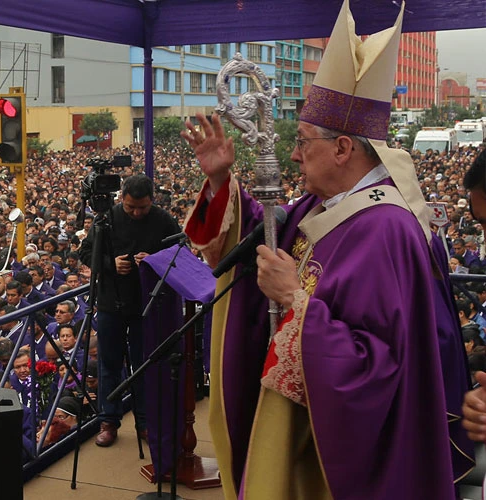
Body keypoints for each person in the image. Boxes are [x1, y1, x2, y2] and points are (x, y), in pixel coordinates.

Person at [181, 2, 470, 497]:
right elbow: (268, 234)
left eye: (303, 141)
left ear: (342, 149)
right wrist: (220, 179)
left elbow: (377, 368)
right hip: (296, 425)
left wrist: (296, 302)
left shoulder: (387, 230)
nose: (294, 154)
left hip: (332, 456)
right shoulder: (323, 204)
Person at [78, 173, 180, 447]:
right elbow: (86, 253)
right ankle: (108, 420)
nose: (136, 213)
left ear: (152, 201)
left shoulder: (162, 220)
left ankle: (145, 422)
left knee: (143, 364)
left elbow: (181, 252)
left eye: (142, 208)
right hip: (111, 302)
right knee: (108, 364)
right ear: (121, 199)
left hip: (145, 304)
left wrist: (155, 261)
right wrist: (111, 264)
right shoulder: (107, 218)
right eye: (130, 207)